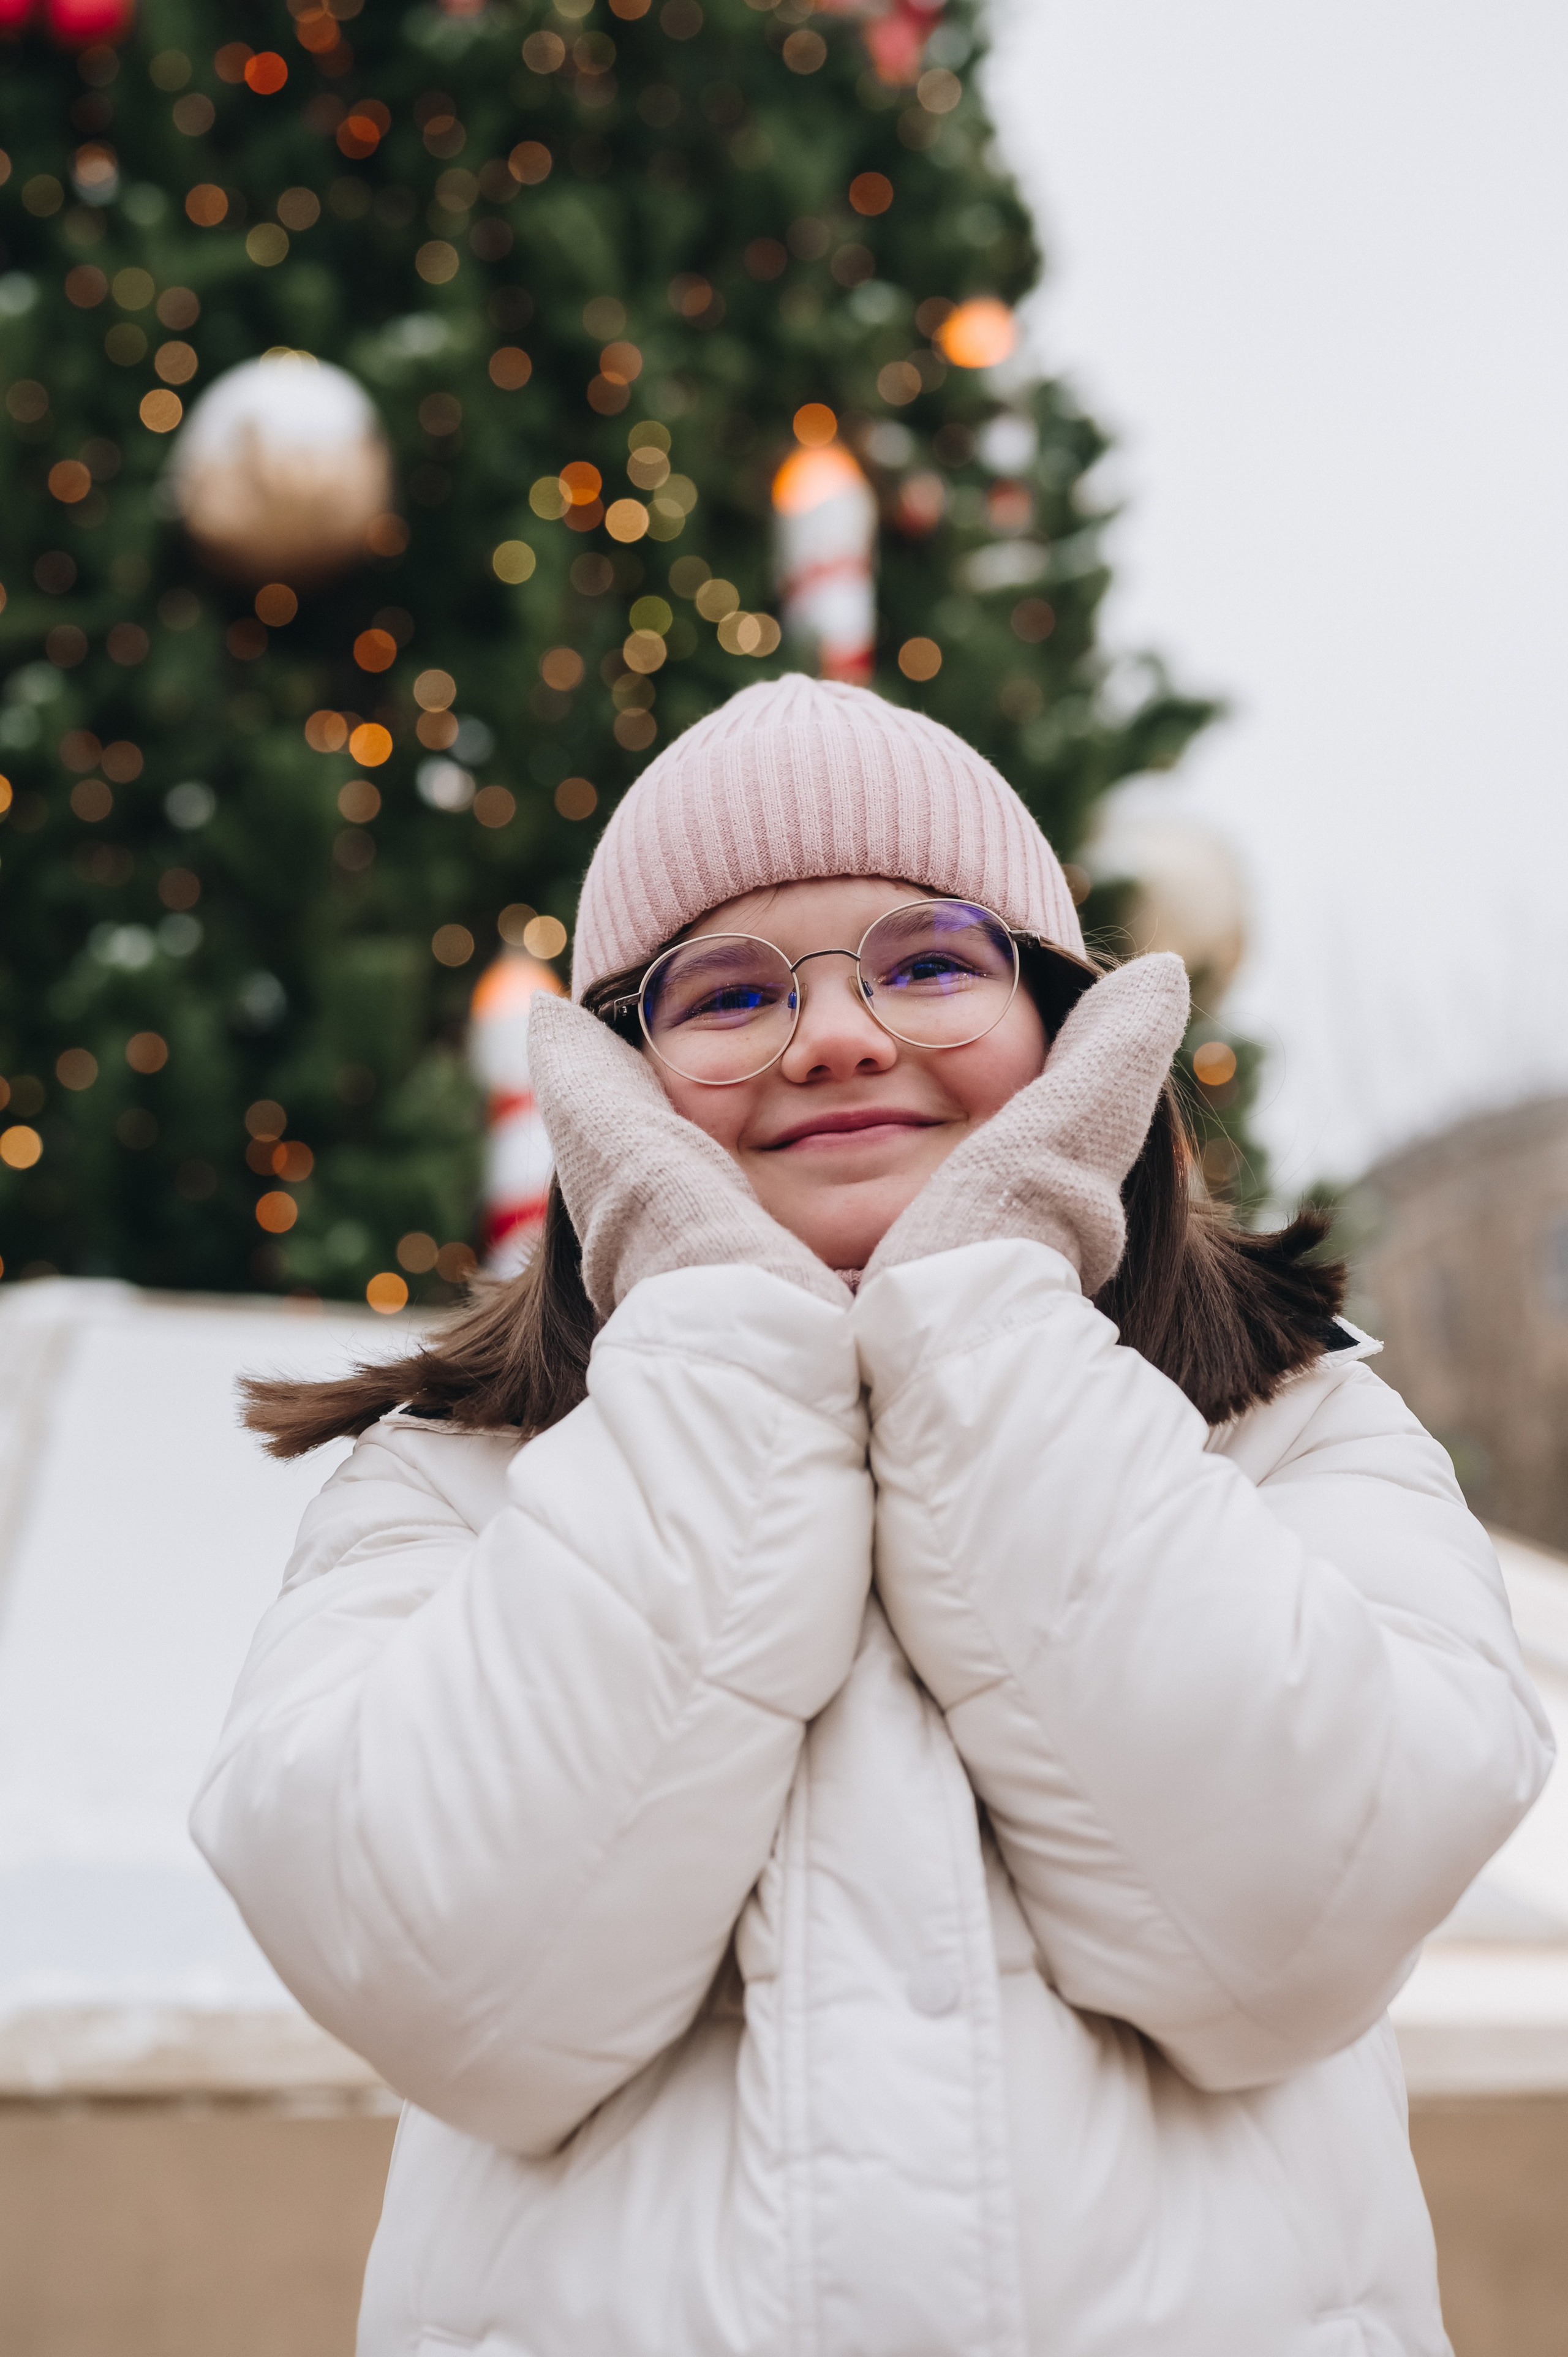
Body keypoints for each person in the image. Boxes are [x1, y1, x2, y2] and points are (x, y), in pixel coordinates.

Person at [195, 676, 1551, 2357]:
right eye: (729, 991)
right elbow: (455, 1984)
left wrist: (982, 1311)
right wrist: (726, 1352)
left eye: (927, 962)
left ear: (1066, 1026)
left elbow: (1291, 1926)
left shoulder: (1301, 1431)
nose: (837, 1036)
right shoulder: (445, 1487)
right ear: (616, 1094)